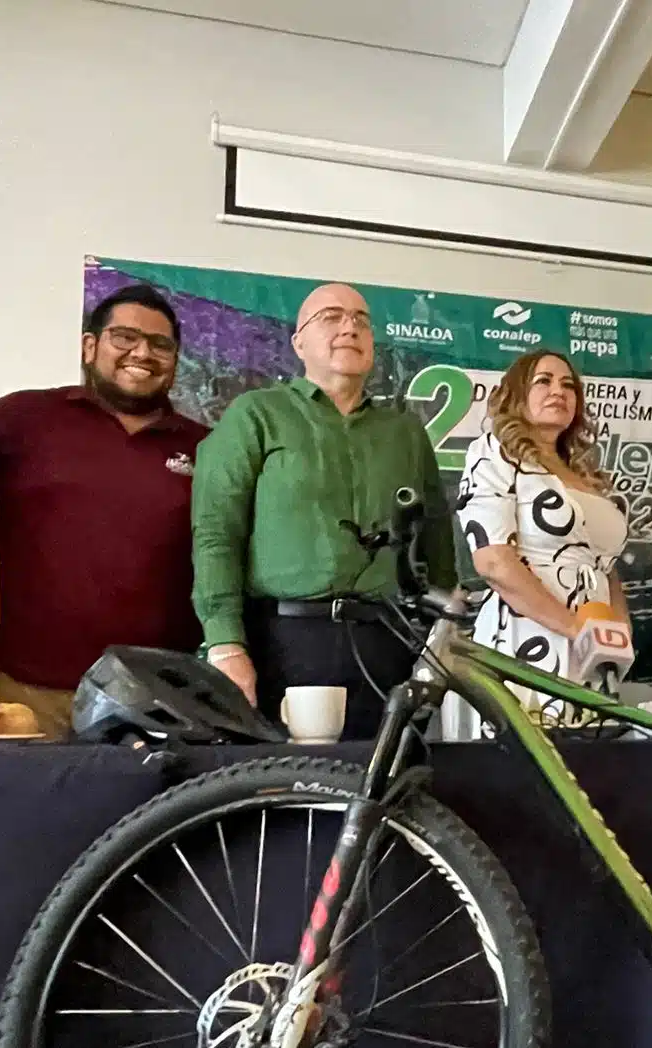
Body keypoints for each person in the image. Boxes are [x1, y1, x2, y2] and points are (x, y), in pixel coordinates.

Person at [192, 282, 456, 737]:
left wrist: (443, 642)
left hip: (386, 642)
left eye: (361, 320)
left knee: (379, 792)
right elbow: (216, 532)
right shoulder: (256, 415)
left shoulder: (405, 432)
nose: (349, 327)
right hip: (283, 641)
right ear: (298, 343)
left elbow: (436, 540)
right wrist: (226, 646)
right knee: (284, 787)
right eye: (331, 317)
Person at [0, 285, 207, 737]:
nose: (142, 353)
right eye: (125, 337)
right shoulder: (23, 417)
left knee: (144, 810)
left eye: (160, 344)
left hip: (154, 701)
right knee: (25, 808)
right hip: (24, 690)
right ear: (90, 345)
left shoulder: (206, 446)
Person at [453, 349, 630, 726]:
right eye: (543, 381)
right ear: (516, 394)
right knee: (529, 770)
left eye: (569, 385)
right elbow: (494, 562)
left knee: (593, 773)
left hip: (594, 649)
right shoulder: (494, 453)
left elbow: (607, 569)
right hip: (526, 639)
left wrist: (617, 634)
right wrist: (573, 628)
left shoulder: (590, 476)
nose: (559, 391)